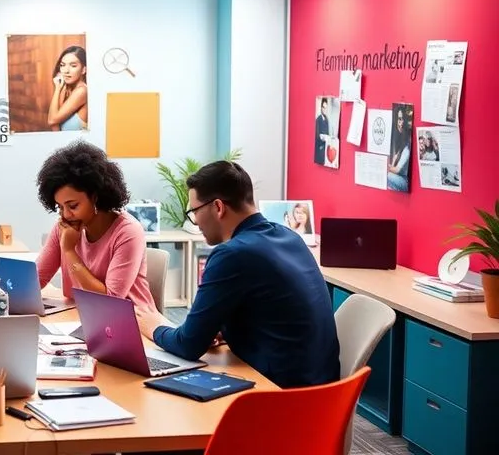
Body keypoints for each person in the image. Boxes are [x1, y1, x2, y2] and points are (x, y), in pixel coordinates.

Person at [135, 161, 339, 389]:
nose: (195, 221)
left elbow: (188, 345)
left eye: (194, 212)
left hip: (283, 398)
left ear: (218, 207)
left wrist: (153, 325)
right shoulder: (289, 237)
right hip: (327, 396)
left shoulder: (232, 254)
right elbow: (276, 312)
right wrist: (226, 329)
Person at [35, 140, 157, 311]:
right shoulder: (64, 228)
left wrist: (69, 251)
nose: (66, 215)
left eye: (73, 206)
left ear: (96, 197)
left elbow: (111, 300)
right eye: (60, 207)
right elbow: (36, 279)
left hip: (132, 322)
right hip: (84, 316)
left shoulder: (128, 232)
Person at [47, 46, 88, 131]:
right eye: (62, 65)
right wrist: (60, 89)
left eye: (73, 66)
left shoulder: (82, 91)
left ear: (83, 70)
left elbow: (52, 121)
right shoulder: (68, 89)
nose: (66, 71)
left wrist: (57, 89)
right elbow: (55, 128)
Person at [314, 97, 330, 165]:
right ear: (321, 108)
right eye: (323, 107)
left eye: (326, 108)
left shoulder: (327, 119)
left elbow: (327, 132)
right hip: (320, 148)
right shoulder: (318, 119)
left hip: (325, 147)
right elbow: (317, 136)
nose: (324, 110)